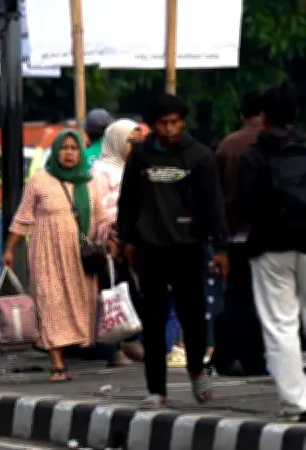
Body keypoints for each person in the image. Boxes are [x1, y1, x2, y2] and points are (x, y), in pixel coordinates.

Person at [117, 94, 229, 407]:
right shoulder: (140, 157)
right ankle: (157, 389)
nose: (170, 128)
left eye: (175, 122)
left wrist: (220, 247)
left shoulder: (200, 157)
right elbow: (128, 202)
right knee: (153, 321)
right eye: (164, 123)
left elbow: (213, 204)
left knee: (193, 317)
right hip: (149, 248)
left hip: (189, 247)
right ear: (154, 125)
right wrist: (126, 240)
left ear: (183, 122)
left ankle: (196, 370)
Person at [3, 130, 111, 382]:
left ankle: (68, 353)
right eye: (64, 148)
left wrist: (111, 235)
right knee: (50, 303)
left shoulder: (89, 182)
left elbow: (101, 218)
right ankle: (57, 363)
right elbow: (23, 217)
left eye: (74, 148)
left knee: (78, 304)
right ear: (56, 151)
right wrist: (9, 248)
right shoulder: (40, 181)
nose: (70, 153)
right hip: (47, 255)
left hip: (79, 257)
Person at [234, 80, 306, 421]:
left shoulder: (255, 155)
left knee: (281, 325)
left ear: (263, 116)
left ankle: (295, 403)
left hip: (269, 248)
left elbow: (243, 207)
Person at [212, 89, 267, 376]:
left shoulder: (227, 146)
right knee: (269, 302)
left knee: (236, 298)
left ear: (242, 114)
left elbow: (216, 196)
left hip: (233, 236)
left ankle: (225, 358)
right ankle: (255, 359)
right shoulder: (281, 142)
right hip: (274, 237)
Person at [92, 119, 145, 364]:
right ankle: (115, 348)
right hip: (111, 243)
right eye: (131, 142)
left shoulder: (136, 168)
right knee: (113, 293)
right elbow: (97, 210)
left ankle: (129, 343)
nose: (136, 147)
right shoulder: (100, 173)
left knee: (131, 293)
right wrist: (108, 235)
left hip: (134, 240)